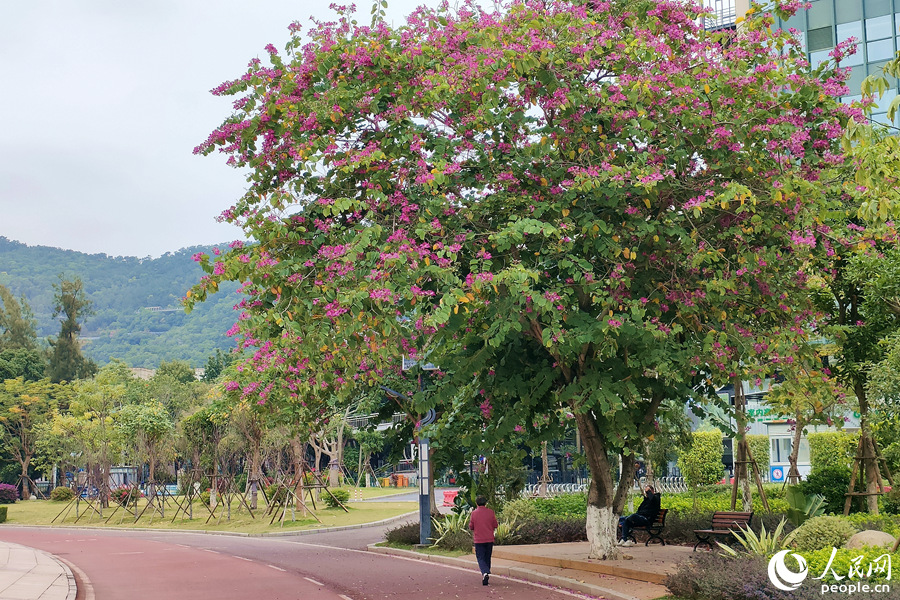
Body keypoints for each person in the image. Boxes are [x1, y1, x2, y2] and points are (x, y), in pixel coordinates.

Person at [468, 496, 499, 585]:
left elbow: (471, 526)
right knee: (487, 557)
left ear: (477, 503)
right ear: (485, 503)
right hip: (489, 538)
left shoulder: (474, 513)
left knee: (480, 557)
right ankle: (487, 572)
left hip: (479, 539)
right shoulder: (490, 512)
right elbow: (495, 525)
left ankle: (485, 572)